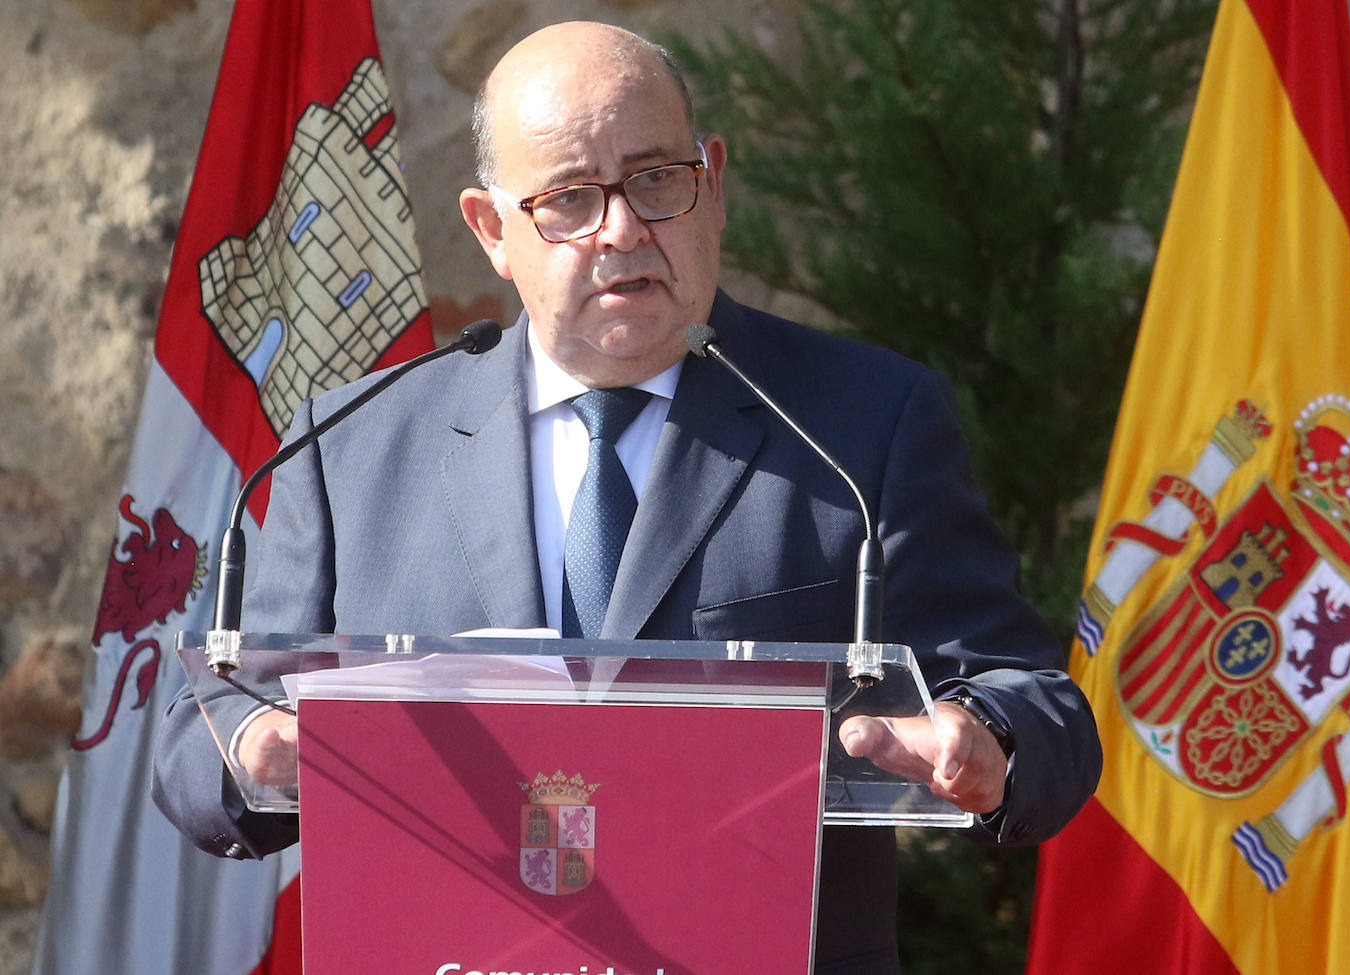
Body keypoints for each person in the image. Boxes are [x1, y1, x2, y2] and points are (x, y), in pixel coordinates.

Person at [153, 21, 1101, 973]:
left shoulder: (864, 425)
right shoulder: (349, 446)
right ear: (492, 230)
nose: (622, 228)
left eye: (656, 180)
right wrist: (252, 749)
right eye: (568, 199)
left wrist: (987, 744)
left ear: (713, 183)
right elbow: (197, 737)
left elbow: (1037, 701)